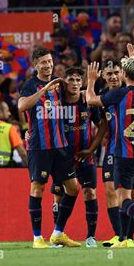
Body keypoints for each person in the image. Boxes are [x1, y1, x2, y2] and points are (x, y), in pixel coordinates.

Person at [87, 44, 134, 248]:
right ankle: (124, 239)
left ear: (123, 73)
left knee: (123, 198)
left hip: (124, 153)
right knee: (126, 195)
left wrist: (90, 81)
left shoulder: (120, 94)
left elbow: (90, 99)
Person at [18, 46, 81, 248]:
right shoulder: (30, 85)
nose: (48, 65)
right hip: (39, 146)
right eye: (43, 62)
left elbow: (75, 97)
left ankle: (57, 233)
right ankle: (37, 238)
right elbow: (21, 106)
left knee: (73, 188)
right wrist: (44, 90)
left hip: (60, 145)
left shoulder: (59, 84)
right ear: (35, 65)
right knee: (38, 187)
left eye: (50, 61)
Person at [50, 67, 107, 248]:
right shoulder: (56, 101)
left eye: (77, 80)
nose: (74, 83)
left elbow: (103, 125)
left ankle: (91, 237)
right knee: (58, 196)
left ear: (82, 83)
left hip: (85, 157)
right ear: (63, 83)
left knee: (89, 192)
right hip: (61, 157)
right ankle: (57, 234)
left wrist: (91, 149)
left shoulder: (87, 101)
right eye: (70, 80)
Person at [98, 58, 134, 248]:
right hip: (112, 150)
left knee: (132, 194)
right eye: (109, 74)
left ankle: (130, 237)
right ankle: (119, 235)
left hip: (132, 150)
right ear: (103, 76)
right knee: (109, 190)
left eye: (116, 73)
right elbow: (102, 125)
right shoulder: (103, 96)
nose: (113, 77)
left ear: (122, 73)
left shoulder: (131, 92)